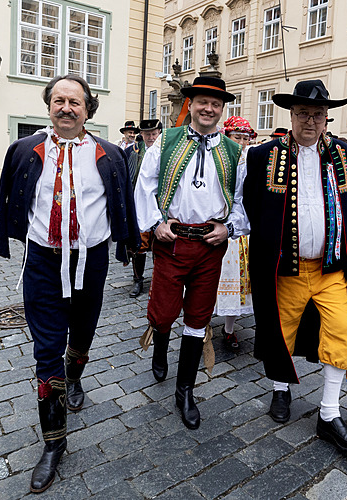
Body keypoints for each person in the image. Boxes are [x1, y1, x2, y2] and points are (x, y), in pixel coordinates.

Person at [0, 75, 139, 493]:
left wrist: (129, 245)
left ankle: (75, 376)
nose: (66, 108)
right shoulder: (24, 150)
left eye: (75, 102)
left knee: (83, 334)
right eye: (58, 101)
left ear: (89, 109)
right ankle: (54, 442)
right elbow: (8, 197)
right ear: (49, 107)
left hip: (91, 262)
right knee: (46, 348)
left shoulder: (109, 155)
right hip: (42, 263)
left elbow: (122, 203)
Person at [244, 79, 347, 452]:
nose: (311, 121)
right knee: (281, 331)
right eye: (303, 113)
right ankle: (280, 389)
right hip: (287, 268)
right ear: (291, 115)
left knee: (342, 331)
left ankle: (329, 412)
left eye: (318, 114)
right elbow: (250, 208)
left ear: (327, 117)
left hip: (332, 268)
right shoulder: (263, 155)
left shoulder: (345, 154)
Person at [134, 76, 248, 431]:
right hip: (172, 242)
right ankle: (159, 346)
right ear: (191, 105)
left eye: (216, 104)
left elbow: (243, 200)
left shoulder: (233, 151)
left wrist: (229, 228)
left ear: (222, 109)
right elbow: (145, 185)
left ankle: (185, 390)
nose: (208, 108)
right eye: (202, 102)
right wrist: (155, 224)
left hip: (210, 246)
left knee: (199, 317)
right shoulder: (165, 142)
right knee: (164, 312)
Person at [214, 116, 256, 351]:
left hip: (239, 228)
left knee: (237, 282)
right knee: (209, 280)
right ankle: (201, 326)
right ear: (226, 137)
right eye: (237, 137)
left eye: (244, 138)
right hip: (214, 225)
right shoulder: (217, 158)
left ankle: (229, 328)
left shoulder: (251, 161)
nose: (241, 142)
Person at [125, 119, 163, 298]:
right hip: (139, 205)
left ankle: (158, 281)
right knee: (138, 246)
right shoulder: (132, 152)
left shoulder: (166, 152)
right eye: (147, 134)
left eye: (154, 134)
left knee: (160, 245)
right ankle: (138, 280)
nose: (151, 137)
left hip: (160, 207)